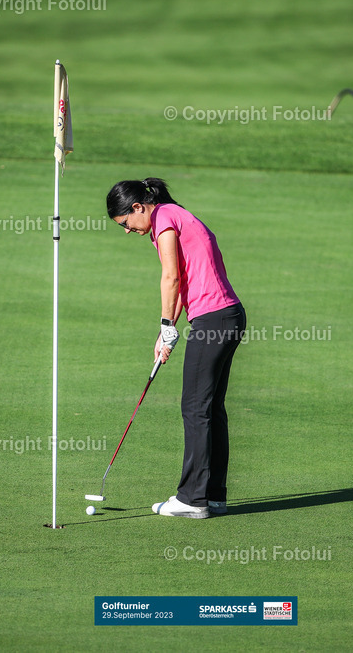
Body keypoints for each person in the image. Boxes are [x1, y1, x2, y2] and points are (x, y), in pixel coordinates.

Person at [106, 178, 246, 519]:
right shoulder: (176, 215)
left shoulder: (165, 218)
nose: (127, 231)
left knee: (196, 408)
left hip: (213, 320)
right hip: (228, 316)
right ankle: (213, 497)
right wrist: (166, 332)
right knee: (211, 409)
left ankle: (192, 499)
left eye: (126, 223)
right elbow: (183, 280)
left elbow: (170, 277)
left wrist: (167, 326)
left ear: (138, 207)